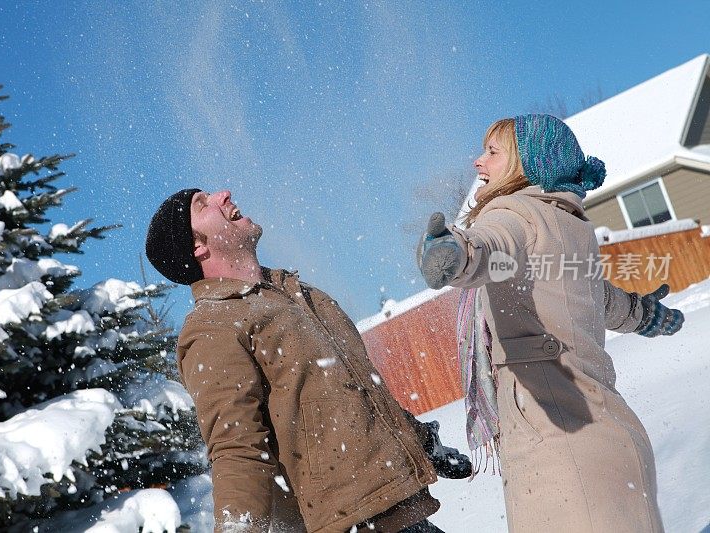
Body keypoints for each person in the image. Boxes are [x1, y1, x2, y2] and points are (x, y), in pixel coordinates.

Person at [145, 188, 470, 533]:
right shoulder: (212, 327)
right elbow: (236, 447)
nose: (223, 194)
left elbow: (357, 394)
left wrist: (424, 442)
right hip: (347, 522)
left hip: (396, 509)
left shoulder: (300, 295)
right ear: (198, 247)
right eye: (203, 203)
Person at [417, 114, 684, 533]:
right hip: (609, 436)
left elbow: (490, 247)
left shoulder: (515, 215)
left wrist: (458, 253)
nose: (477, 162)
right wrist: (646, 314)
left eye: (492, 152)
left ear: (529, 164)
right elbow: (598, 297)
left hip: (559, 442)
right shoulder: (567, 225)